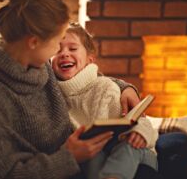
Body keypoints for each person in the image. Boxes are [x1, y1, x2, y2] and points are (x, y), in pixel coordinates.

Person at [0, 0, 141, 179]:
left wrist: (125, 88)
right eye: (58, 42)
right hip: (68, 168)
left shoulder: (37, 62)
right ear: (34, 42)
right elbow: (5, 174)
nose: (57, 52)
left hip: (84, 157)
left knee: (172, 143)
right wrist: (68, 157)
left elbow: (79, 81)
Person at [51, 23, 158, 179]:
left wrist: (140, 132)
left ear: (90, 59)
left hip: (136, 152)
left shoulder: (105, 87)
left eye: (72, 49)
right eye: (57, 49)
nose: (64, 54)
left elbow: (137, 119)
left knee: (127, 146)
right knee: (92, 155)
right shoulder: (52, 94)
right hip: (97, 154)